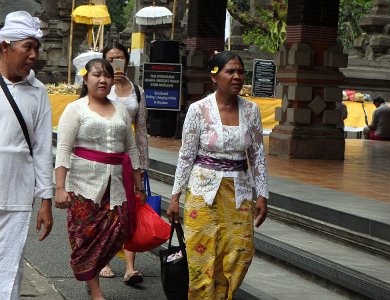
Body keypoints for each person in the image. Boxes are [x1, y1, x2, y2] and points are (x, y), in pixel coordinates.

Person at [166, 51, 269, 299]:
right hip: (202, 193)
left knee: (241, 252)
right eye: (230, 71)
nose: (237, 77)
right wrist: (175, 196)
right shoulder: (198, 110)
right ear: (214, 76)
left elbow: (257, 155)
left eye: (240, 72)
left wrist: (262, 194)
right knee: (201, 256)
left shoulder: (252, 110)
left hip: (239, 194)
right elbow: (186, 155)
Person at [54, 58, 146, 300]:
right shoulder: (76, 109)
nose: (103, 80)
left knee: (120, 230)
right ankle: (95, 290)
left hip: (116, 184)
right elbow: (63, 148)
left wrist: (139, 186)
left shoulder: (121, 110)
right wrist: (60, 187)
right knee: (85, 238)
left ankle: (90, 270)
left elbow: (132, 149)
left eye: (106, 75)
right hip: (82, 186)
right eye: (96, 75)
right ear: (85, 79)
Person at [0, 11, 54, 299]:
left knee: (9, 270)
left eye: (37, 47)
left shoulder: (38, 91)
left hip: (18, 195)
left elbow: (44, 148)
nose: (34, 55)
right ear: (4, 47)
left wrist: (46, 200)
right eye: (27, 47)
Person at [101, 43, 148, 285]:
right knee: (105, 211)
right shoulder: (99, 88)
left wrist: (144, 166)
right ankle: (104, 260)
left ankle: (130, 267)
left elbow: (141, 133)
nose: (116, 62)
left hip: (128, 160)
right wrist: (109, 84)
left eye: (119, 58)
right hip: (103, 157)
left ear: (127, 61)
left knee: (129, 211)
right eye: (111, 59)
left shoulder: (137, 92)